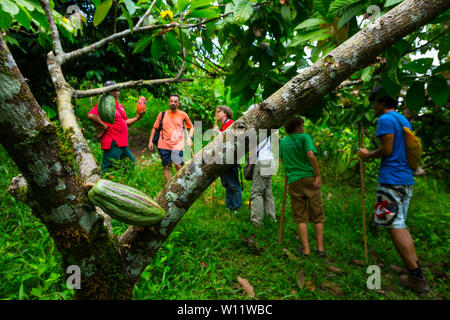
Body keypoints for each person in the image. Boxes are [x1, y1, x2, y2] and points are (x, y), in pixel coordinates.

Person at [358, 85, 429, 293]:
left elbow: (387, 150)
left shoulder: (385, 120)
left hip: (392, 179)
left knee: (394, 225)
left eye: (374, 102)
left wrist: (367, 154)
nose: (373, 107)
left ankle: (416, 276)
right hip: (406, 178)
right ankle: (414, 268)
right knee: (400, 223)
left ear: (381, 102)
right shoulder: (402, 119)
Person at [280, 117, 325, 257]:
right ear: (298, 126)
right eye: (302, 125)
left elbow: (283, 159)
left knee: (300, 216)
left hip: (293, 180)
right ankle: (320, 249)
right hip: (309, 179)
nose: (303, 128)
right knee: (317, 213)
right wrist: (318, 175)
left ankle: (306, 250)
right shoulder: (305, 137)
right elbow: (311, 155)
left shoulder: (283, 141)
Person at [88, 80, 144, 172]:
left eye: (118, 90)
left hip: (122, 142)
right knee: (109, 167)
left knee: (130, 162)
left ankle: (120, 182)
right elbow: (91, 115)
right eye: (114, 91)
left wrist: (138, 117)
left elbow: (125, 122)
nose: (117, 93)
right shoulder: (105, 104)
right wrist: (103, 126)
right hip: (113, 141)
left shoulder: (119, 105)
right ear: (107, 92)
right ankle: (104, 183)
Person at [148, 94, 194, 182]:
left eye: (175, 102)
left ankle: (181, 184)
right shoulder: (162, 114)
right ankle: (170, 187)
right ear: (169, 102)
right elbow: (155, 128)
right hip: (163, 144)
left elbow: (191, 127)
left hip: (178, 145)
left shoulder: (183, 115)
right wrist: (150, 141)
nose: (173, 103)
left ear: (178, 104)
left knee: (179, 166)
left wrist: (190, 138)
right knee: (166, 166)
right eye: (171, 101)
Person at [244, 104, 276, 227]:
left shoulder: (254, 128)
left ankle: (257, 222)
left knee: (256, 193)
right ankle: (271, 218)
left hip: (261, 161)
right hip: (270, 159)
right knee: (267, 191)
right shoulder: (266, 126)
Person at [214, 105, 242, 213]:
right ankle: (229, 206)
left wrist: (217, 133)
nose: (217, 114)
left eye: (218, 112)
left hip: (231, 159)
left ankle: (236, 207)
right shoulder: (222, 126)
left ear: (225, 113)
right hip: (223, 159)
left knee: (233, 184)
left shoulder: (231, 124)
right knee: (226, 183)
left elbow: (229, 140)